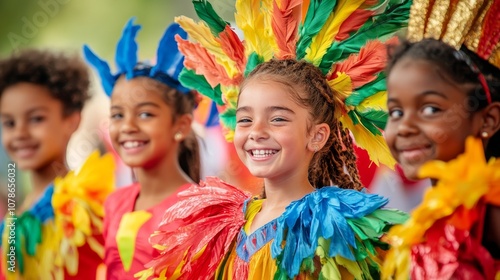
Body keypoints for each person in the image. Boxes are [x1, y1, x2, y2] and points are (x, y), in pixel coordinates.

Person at [137, 0, 411, 279]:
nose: (256, 132)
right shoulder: (221, 221)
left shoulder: (332, 225)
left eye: (278, 118)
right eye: (245, 119)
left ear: (317, 135)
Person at [381, 1, 500, 278]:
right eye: (396, 111)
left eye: (430, 109)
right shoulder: (417, 227)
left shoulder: (491, 211)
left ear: (488, 119)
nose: (405, 127)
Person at [83, 18, 201, 280]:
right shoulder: (114, 203)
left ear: (181, 125)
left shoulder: (199, 209)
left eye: (145, 114)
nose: (128, 126)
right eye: (117, 115)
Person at [0, 49, 114, 279]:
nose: (20, 133)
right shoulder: (17, 211)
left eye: (36, 119)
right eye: (9, 123)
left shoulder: (86, 205)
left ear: (71, 120)